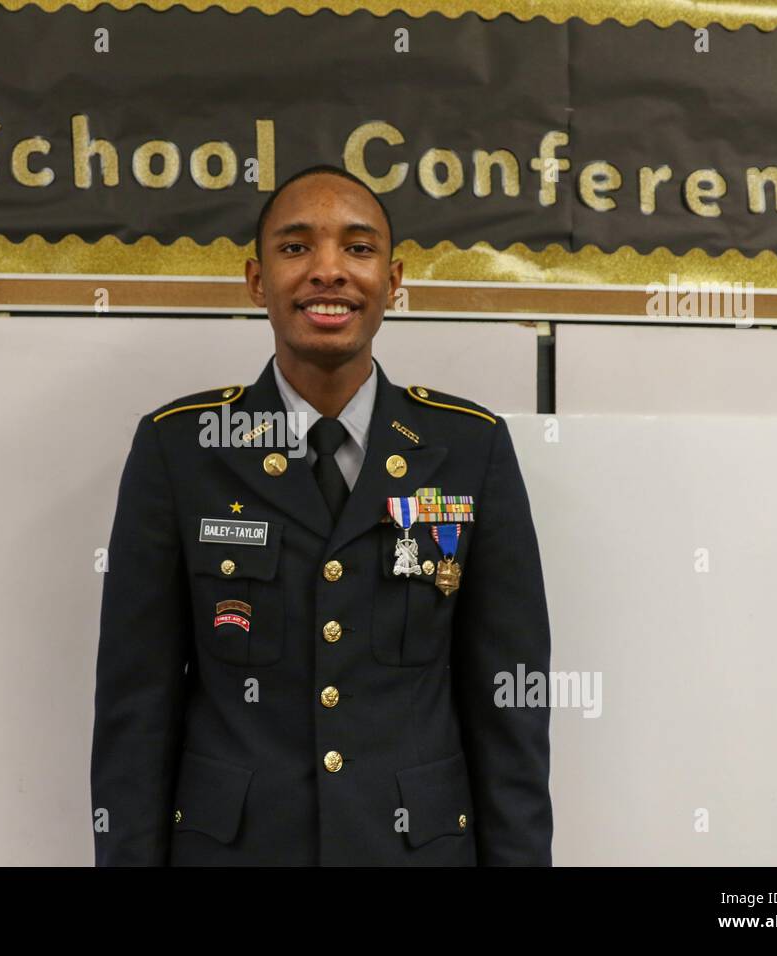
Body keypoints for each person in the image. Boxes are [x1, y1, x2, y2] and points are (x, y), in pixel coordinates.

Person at [90, 163, 553, 866]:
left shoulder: (468, 448)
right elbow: (136, 709)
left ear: (394, 281)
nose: (328, 270)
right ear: (256, 279)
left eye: (358, 249)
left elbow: (507, 707)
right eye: (296, 246)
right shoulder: (180, 451)